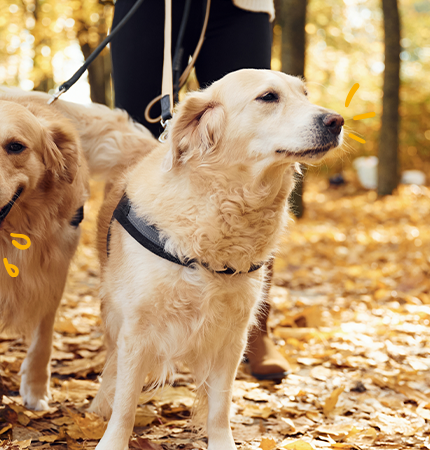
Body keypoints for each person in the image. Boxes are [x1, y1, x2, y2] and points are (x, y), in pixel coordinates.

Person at [108, 0, 292, 380]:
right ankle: (128, 325)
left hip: (241, 5)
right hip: (150, 6)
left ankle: (256, 327)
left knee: (261, 142)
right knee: (139, 140)